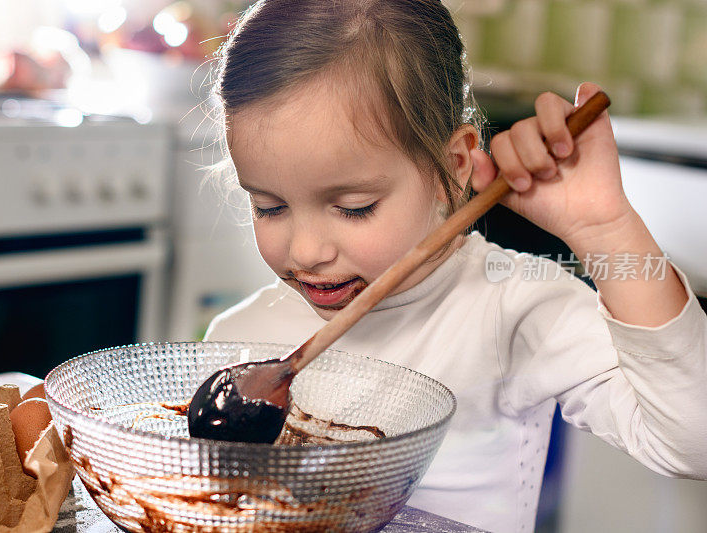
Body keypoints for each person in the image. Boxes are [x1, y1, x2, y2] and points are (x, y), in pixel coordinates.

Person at [201, 1, 707, 531]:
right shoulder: (240, 344)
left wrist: (605, 231)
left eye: (354, 207)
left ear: (455, 166)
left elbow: (691, 444)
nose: (305, 252)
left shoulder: (511, 309)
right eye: (269, 206)